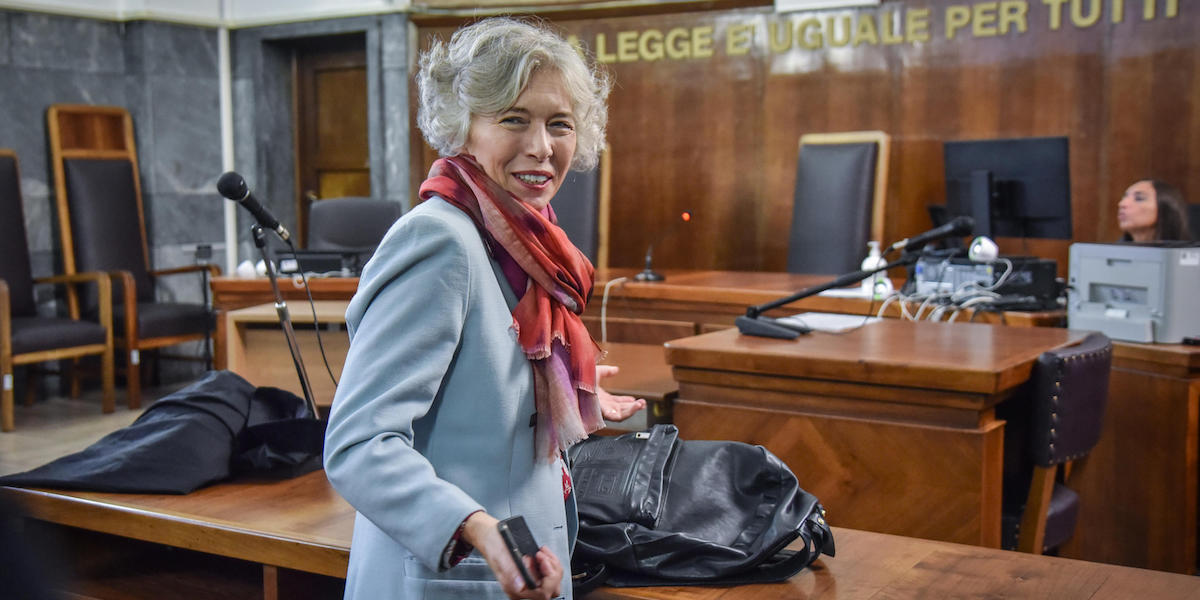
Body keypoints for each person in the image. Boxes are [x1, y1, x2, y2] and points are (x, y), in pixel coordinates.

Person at [323, 17, 645, 600]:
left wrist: (572, 389)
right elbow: (357, 445)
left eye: (560, 124)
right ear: (463, 126)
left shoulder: (529, 242)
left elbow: (484, 382)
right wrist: (477, 529)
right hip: (452, 573)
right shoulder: (440, 241)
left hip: (527, 566)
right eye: (513, 119)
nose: (541, 146)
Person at [1118, 179, 1192, 242]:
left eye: (1139, 198)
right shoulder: (1114, 252)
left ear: (1164, 209)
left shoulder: (1190, 256)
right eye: (1124, 197)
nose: (1122, 204)